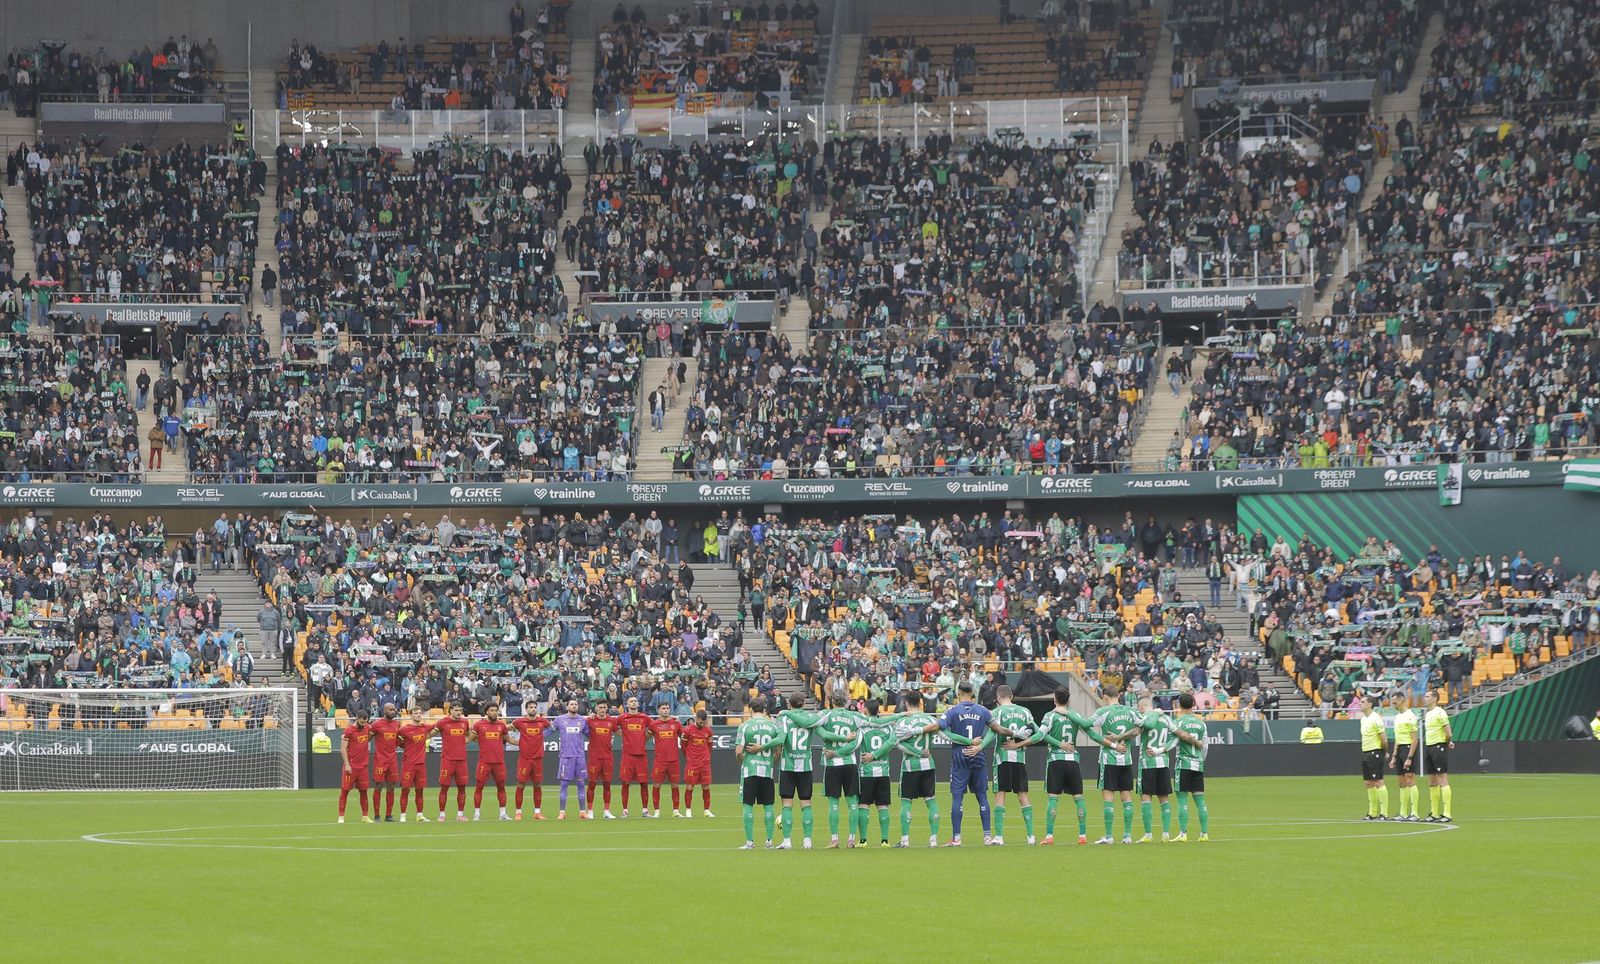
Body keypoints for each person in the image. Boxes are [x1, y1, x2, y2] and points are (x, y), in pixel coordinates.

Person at [919, 680, 1014, 846]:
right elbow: (998, 730)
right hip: (978, 755)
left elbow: (937, 726)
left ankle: (956, 838)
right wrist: (1013, 732)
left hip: (960, 755)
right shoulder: (983, 710)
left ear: (958, 693)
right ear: (973, 693)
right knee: (982, 796)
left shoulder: (952, 711)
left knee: (957, 797)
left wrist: (919, 730)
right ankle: (987, 836)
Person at [1017, 688, 1107, 845]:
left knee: (1053, 798)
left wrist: (1018, 744)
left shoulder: (1050, 716)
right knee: (1079, 798)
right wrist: (1111, 744)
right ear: (1069, 700)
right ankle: (1083, 835)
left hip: (1056, 760)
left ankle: (1050, 836)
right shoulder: (1076, 716)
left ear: (1054, 699)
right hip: (1073, 760)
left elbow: (1040, 735)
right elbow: (1092, 735)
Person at [885, 691, 941, 848]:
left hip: (910, 766)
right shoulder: (930, 719)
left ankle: (905, 840)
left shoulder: (904, 722)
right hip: (928, 764)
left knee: (906, 802)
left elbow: (894, 742)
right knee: (931, 801)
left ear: (906, 704)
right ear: (921, 703)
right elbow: (946, 734)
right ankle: (933, 839)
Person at [1090, 683, 1142, 844]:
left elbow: (1086, 727)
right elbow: (1142, 727)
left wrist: (1111, 742)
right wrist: (1124, 737)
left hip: (1108, 760)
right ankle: (1127, 836)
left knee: (1108, 798)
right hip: (1126, 759)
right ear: (1118, 695)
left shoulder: (1103, 711)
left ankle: (1109, 835)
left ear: (1105, 696)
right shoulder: (1131, 711)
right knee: (1126, 798)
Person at [734, 696, 784, 849]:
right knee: (768, 806)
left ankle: (750, 842)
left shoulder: (744, 726)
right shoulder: (773, 726)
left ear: (750, 709)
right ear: (764, 710)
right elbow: (778, 751)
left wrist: (742, 759)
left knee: (748, 805)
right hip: (767, 772)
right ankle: (769, 842)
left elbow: (738, 751)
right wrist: (770, 759)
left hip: (750, 771)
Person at [990, 685, 1036, 845]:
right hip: (1020, 758)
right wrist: (1019, 744)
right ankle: (1031, 836)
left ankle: (999, 837)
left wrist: (979, 747)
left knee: (1000, 794)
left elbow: (990, 733)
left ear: (997, 698)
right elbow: (1037, 734)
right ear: (1012, 696)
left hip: (1001, 757)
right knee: (1023, 795)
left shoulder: (996, 712)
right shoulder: (1025, 712)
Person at [777, 693, 818, 849]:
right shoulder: (810, 718)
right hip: (805, 767)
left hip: (787, 767)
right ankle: (807, 840)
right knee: (806, 804)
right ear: (804, 703)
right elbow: (823, 734)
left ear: (789, 704)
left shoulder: (783, 718)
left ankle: (787, 841)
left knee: (787, 804)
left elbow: (780, 740)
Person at [1172, 693, 1210, 842]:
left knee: (1182, 800)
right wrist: (1200, 760)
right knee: (1200, 801)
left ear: (1179, 706)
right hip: (1197, 764)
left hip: (1183, 763)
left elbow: (1173, 743)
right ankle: (1204, 834)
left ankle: (1183, 833)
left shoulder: (1178, 723)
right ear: (1193, 705)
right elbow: (1205, 746)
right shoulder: (1202, 724)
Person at [855, 715, 895, 847]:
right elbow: (892, 743)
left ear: (866, 711)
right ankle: (885, 840)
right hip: (883, 772)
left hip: (866, 773)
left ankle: (863, 840)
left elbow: (854, 744)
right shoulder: (888, 728)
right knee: (883, 806)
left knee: (864, 805)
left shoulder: (862, 728)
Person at [432, 704, 472, 822]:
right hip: (447, 760)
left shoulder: (465, 723)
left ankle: (460, 814)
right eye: (456, 710)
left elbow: (469, 735)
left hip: (462, 760)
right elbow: (430, 734)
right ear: (450, 711)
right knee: (444, 788)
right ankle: (442, 814)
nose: (458, 712)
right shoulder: (442, 722)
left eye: (460, 710)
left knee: (462, 788)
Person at [470, 703, 511, 821]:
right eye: (491, 710)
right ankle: (477, 814)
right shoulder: (478, 725)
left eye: (496, 710)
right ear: (486, 712)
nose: (494, 712)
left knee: (501, 787)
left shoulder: (501, 725)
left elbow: (509, 740)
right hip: (484, 762)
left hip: (499, 762)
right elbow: (468, 738)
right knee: (479, 787)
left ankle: (503, 814)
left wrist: (523, 743)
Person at [511, 706, 550, 820]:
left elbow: (553, 728)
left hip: (537, 758)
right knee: (521, 784)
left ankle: (537, 812)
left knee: (537, 784)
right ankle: (518, 812)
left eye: (534, 707)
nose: (533, 709)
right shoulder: (520, 722)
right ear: (526, 709)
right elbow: (506, 729)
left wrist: (543, 736)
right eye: (530, 707)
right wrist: (512, 740)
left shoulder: (542, 721)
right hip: (525, 759)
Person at [553, 699, 590, 820]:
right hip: (566, 757)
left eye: (575, 704)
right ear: (567, 706)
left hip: (579, 757)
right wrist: (535, 737)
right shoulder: (560, 719)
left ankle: (582, 812)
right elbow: (548, 730)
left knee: (581, 784)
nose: (574, 706)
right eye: (571, 704)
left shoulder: (582, 720)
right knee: (564, 785)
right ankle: (562, 812)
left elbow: (590, 734)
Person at [616, 697, 652, 817]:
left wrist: (645, 738)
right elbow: (611, 725)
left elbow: (654, 727)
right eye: (631, 701)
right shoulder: (622, 718)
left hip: (641, 755)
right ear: (626, 704)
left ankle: (645, 810)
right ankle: (625, 811)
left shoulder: (644, 718)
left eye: (635, 701)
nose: (633, 703)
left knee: (644, 783)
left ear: (638, 704)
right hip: (627, 756)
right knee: (625, 783)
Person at [1422, 691, 1454, 822]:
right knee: (1432, 781)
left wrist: (1446, 743)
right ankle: (1434, 813)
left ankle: (1446, 813)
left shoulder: (1440, 712)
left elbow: (1448, 732)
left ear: (1435, 698)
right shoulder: (1428, 713)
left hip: (1438, 746)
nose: (1425, 698)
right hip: (1429, 747)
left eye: (1428, 696)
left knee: (1442, 778)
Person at [648, 702, 684, 817]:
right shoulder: (654, 725)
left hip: (673, 760)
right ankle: (657, 811)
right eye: (663, 708)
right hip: (660, 760)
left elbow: (683, 737)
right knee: (657, 785)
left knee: (675, 785)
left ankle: (676, 811)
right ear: (658, 710)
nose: (665, 710)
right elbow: (645, 737)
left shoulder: (676, 723)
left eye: (667, 708)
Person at [337, 709, 374, 824]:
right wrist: (347, 765)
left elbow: (368, 738)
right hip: (351, 766)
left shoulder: (367, 728)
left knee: (364, 792)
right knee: (345, 791)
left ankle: (365, 816)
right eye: (362, 722)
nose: (364, 724)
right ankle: (341, 817)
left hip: (363, 767)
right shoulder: (348, 731)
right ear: (357, 719)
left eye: (366, 722)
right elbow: (343, 748)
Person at [1389, 692, 1421, 822]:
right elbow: (1397, 739)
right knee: (1401, 783)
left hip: (1408, 748)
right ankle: (1403, 812)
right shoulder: (1398, 717)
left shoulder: (1410, 716)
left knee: (1410, 780)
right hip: (1400, 748)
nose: (1393, 705)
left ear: (1402, 700)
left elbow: (1415, 739)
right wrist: (1394, 756)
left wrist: (1409, 757)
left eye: (1395, 702)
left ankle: (1414, 813)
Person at [368, 702, 403, 822]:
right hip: (380, 760)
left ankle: (389, 815)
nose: (393, 712)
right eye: (390, 710)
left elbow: (398, 740)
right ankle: (377, 815)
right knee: (378, 785)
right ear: (384, 711)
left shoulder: (397, 724)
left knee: (391, 786)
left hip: (392, 759)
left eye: (394, 710)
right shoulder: (376, 725)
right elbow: (367, 738)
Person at [586, 701, 620, 819]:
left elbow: (619, 732)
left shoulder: (611, 721)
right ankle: (590, 811)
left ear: (607, 708)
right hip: (594, 758)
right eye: (600, 707)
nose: (602, 709)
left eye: (604, 707)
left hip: (607, 757)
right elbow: (580, 725)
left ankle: (607, 811)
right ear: (596, 708)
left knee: (607, 784)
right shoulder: (590, 720)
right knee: (592, 784)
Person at [398, 708, 432, 822]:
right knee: (405, 789)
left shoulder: (425, 727)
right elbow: (395, 739)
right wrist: (404, 745)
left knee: (420, 790)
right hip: (408, 764)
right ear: (411, 715)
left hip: (421, 764)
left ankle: (420, 815)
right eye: (416, 713)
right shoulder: (404, 729)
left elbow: (438, 727)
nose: (418, 715)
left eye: (419, 713)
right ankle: (403, 815)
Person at [1359, 695, 1390, 820]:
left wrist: (1383, 752)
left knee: (1378, 781)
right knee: (1368, 783)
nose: (1360, 703)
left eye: (1363, 701)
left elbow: (1384, 739)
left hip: (1375, 752)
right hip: (1366, 751)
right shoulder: (1363, 719)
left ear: (1370, 704)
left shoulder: (1375, 718)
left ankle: (1384, 813)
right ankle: (1372, 812)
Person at [681, 708, 715, 817]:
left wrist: (706, 757)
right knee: (690, 786)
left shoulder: (708, 731)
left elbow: (710, 746)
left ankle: (706, 810)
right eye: (701, 722)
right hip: (692, 763)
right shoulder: (687, 730)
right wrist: (690, 757)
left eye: (704, 723)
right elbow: (683, 747)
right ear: (696, 719)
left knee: (706, 786)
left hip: (705, 763)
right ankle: (688, 810)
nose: (702, 724)